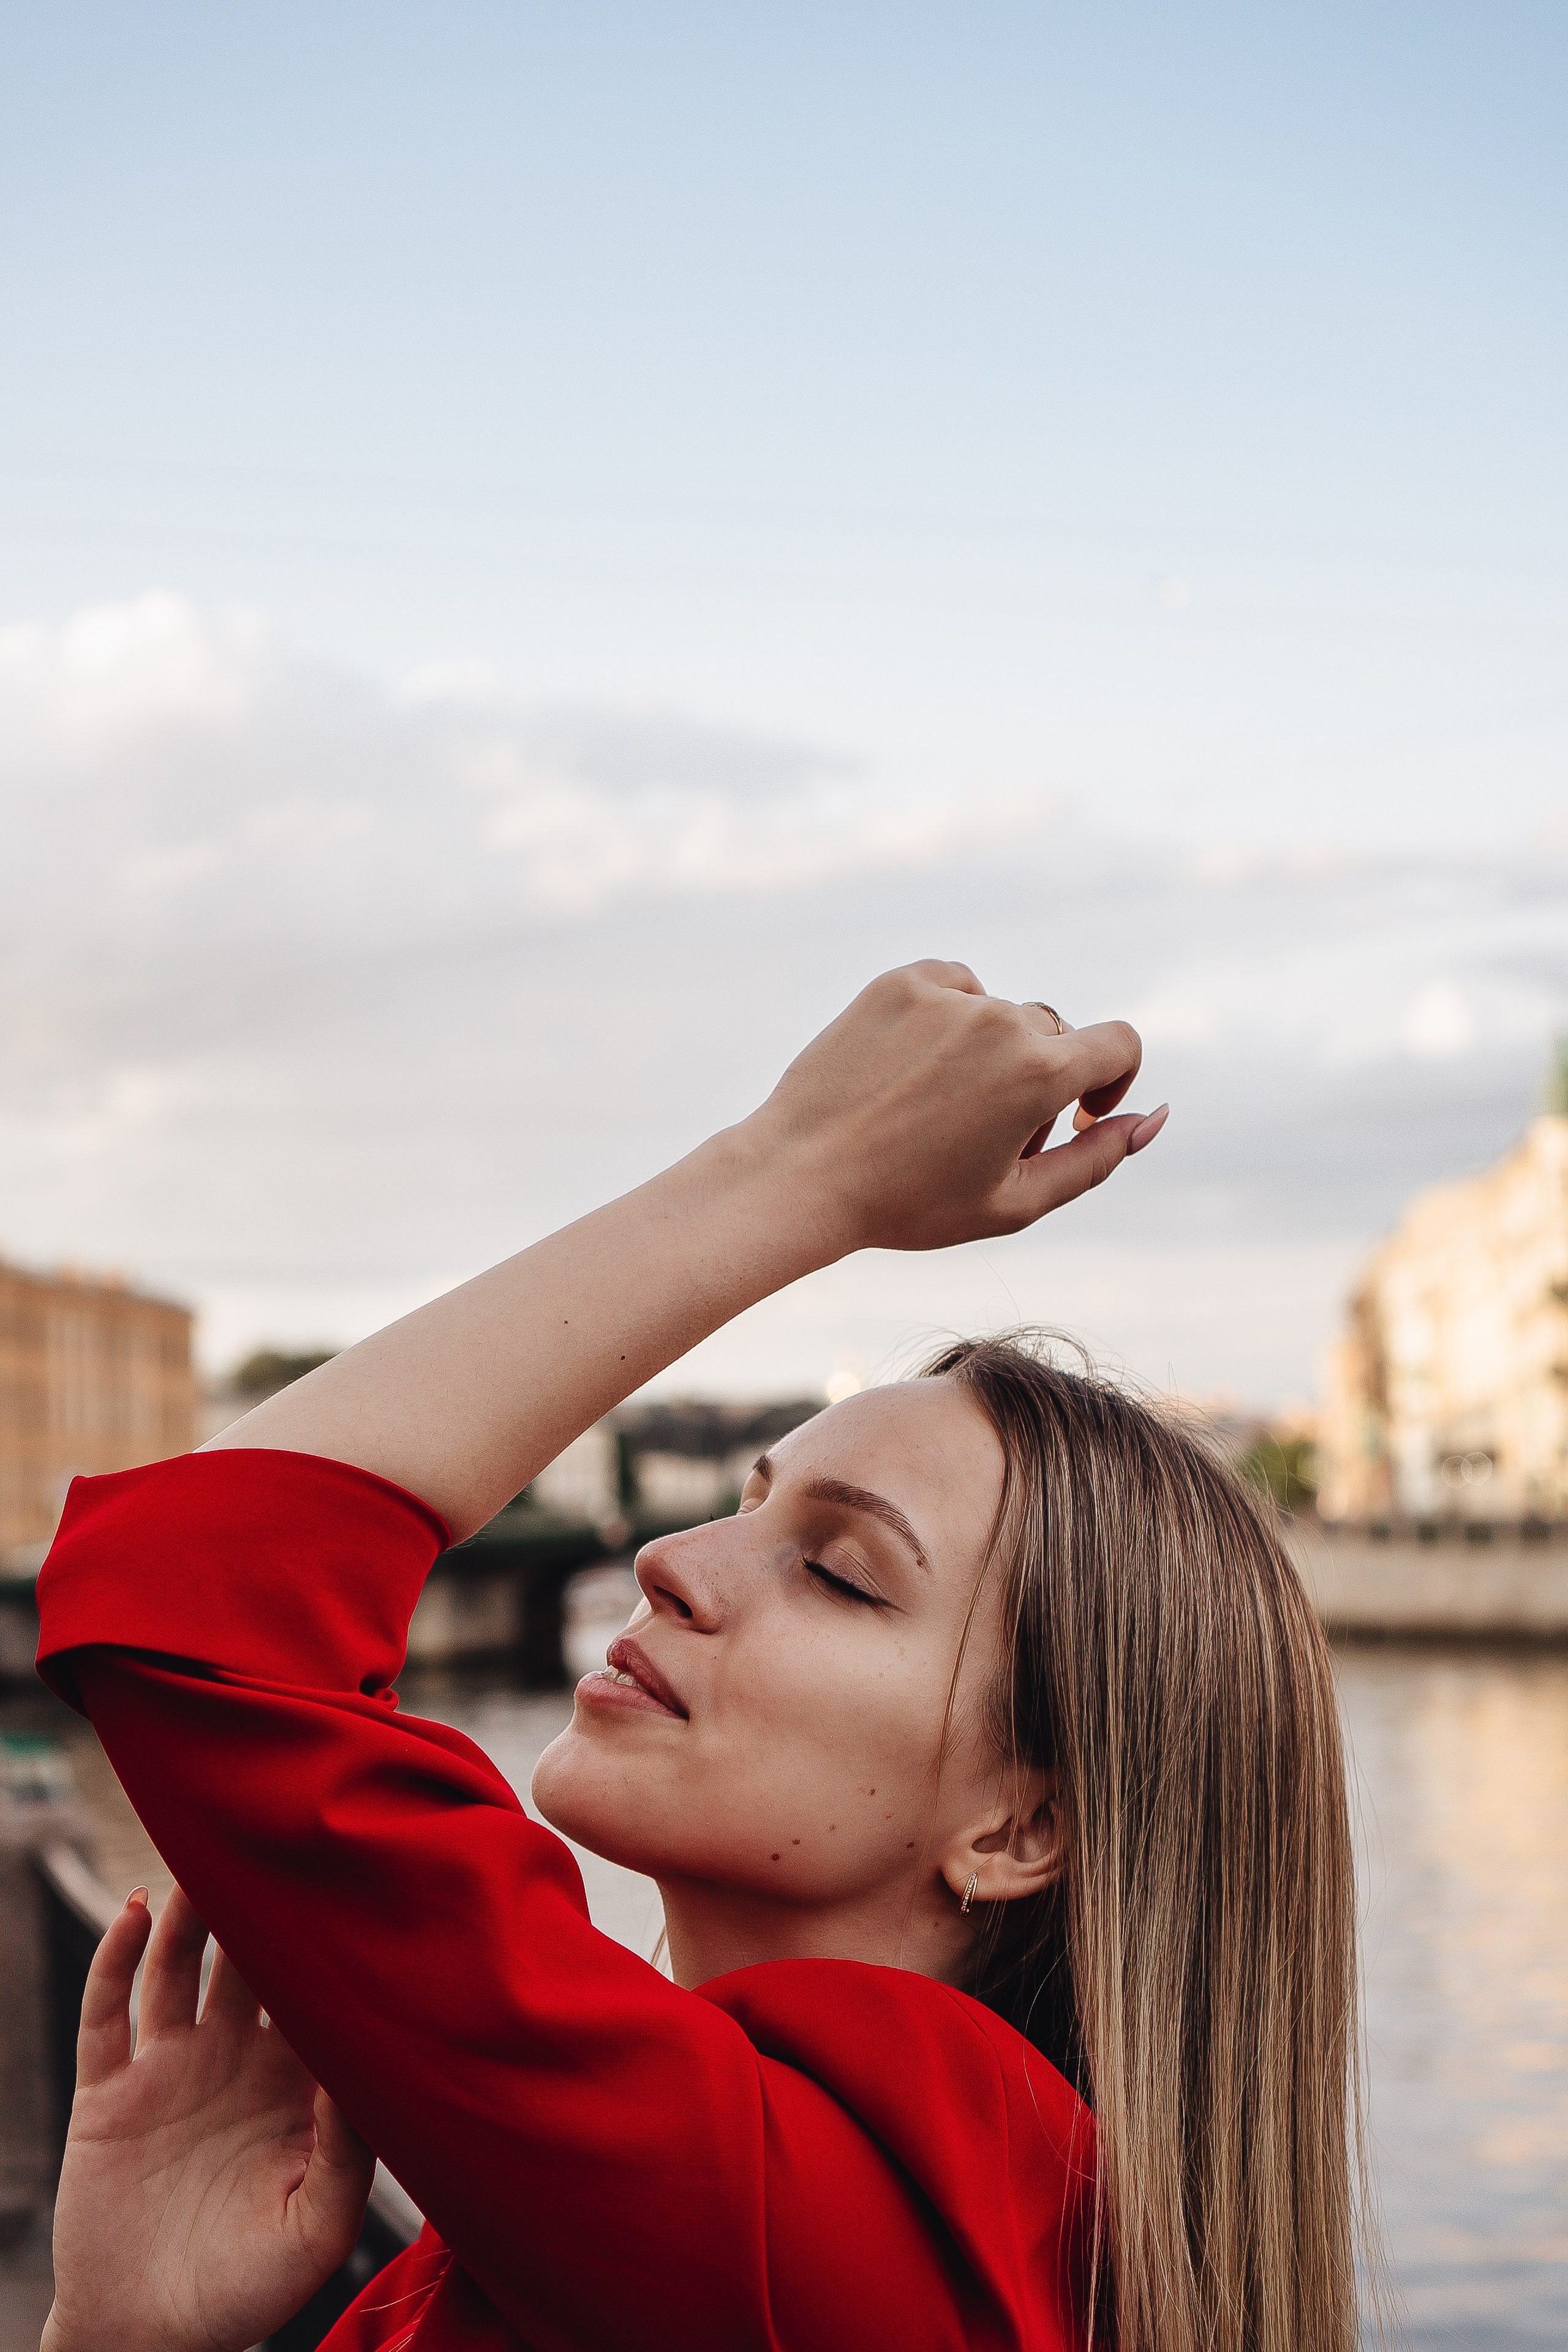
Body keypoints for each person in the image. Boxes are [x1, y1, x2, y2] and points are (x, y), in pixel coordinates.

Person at [36, 961, 1360, 2352]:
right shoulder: (855, 2222)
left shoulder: (801, 2228)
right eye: (747, 1503)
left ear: (1020, 1824)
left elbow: (187, 1584)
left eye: (840, 1575)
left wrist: (800, 1169)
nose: (668, 1561)